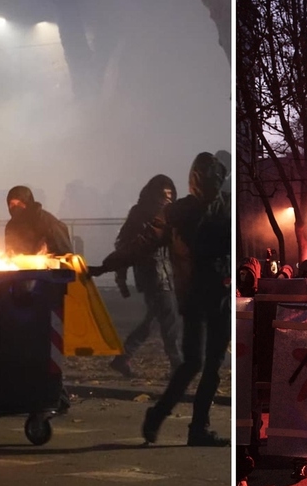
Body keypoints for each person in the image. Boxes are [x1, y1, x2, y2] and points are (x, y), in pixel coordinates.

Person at [95, 152, 232, 446]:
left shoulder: (187, 212)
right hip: (206, 298)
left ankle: (180, 422)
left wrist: (106, 266)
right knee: (201, 364)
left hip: (205, 298)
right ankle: (183, 423)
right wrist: (108, 265)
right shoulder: (200, 211)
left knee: (202, 364)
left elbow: (141, 244)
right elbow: (140, 244)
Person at [108, 175, 182, 377]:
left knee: (154, 320)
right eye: (164, 193)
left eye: (170, 193)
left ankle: (122, 358)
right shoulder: (148, 214)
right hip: (155, 274)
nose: (168, 197)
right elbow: (124, 246)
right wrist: (120, 278)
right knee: (169, 321)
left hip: (158, 274)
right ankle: (177, 364)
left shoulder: (159, 213)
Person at [4, 185, 72, 256]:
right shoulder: (11, 226)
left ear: (28, 204)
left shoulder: (49, 223)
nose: (16, 208)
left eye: (20, 204)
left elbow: (66, 255)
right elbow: (10, 253)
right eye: (12, 204)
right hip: (21, 266)